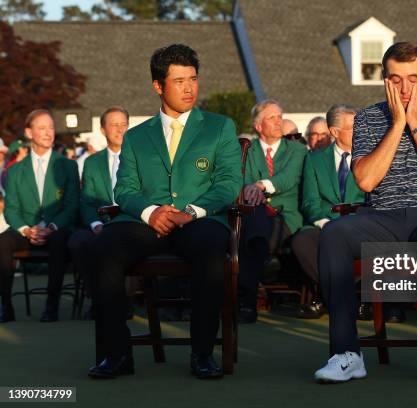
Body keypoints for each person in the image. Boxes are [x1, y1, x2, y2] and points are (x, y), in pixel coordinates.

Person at [314, 42, 417, 384]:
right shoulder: (369, 118)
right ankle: (346, 354)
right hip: (382, 217)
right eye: (395, 79)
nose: (405, 87)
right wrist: (398, 123)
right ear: (384, 79)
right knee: (334, 233)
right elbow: (367, 180)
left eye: (413, 78)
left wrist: (416, 124)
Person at [87, 44, 242, 380]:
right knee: (102, 248)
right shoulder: (136, 137)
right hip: (146, 222)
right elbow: (124, 189)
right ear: (158, 86)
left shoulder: (220, 128)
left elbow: (229, 183)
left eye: (194, 79)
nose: (189, 88)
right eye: (179, 81)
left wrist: (193, 211)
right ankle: (117, 354)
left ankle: (202, 354)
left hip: (200, 220)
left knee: (211, 252)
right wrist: (151, 211)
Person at [0, 109, 79, 323]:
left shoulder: (68, 165)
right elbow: (11, 209)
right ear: (29, 132)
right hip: (26, 230)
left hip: (56, 229)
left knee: (60, 239)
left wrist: (51, 227)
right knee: (3, 242)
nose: (48, 133)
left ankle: (51, 305)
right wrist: (26, 230)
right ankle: (5, 305)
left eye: (51, 127)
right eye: (41, 128)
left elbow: (72, 205)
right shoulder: (16, 171)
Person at [291, 104, 365, 319]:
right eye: (353, 128)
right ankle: (343, 294)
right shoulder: (314, 160)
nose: (359, 132)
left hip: (359, 224)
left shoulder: (370, 157)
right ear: (335, 132)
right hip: (325, 224)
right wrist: (325, 223)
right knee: (301, 241)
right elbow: (310, 202)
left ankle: (328, 297)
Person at [239, 100, 307, 323]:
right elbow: (245, 180)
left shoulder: (296, 149)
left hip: (285, 214)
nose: (279, 122)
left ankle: (247, 302)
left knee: (253, 239)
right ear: (258, 126)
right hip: (255, 214)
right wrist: (253, 189)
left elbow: (289, 178)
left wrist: (261, 186)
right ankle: (249, 298)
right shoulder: (247, 150)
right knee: (256, 230)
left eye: (280, 116)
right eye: (272, 118)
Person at [68, 106, 129, 314]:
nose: (120, 130)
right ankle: (97, 298)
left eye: (123, 125)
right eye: (114, 125)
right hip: (101, 222)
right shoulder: (92, 162)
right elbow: (86, 200)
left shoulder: (141, 159)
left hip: (130, 223)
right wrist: (94, 224)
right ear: (103, 130)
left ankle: (124, 300)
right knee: (78, 242)